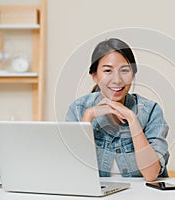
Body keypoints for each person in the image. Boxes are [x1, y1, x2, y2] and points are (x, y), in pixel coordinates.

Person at [66, 38, 169, 181]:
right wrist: (88, 117)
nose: (117, 80)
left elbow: (151, 174)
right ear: (95, 76)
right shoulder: (79, 109)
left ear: (132, 74)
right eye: (108, 70)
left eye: (124, 70)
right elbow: (75, 171)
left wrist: (132, 119)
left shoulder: (151, 111)